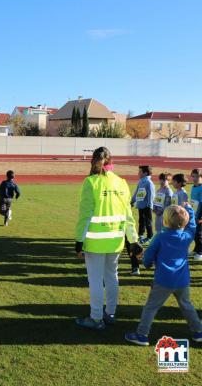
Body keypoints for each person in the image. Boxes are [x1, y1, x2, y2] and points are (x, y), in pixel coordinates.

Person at [75, 147, 140, 330]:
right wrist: (133, 240)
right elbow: (128, 216)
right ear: (111, 162)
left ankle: (96, 318)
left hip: (95, 242)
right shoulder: (121, 183)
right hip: (116, 241)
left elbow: (85, 216)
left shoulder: (91, 182)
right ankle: (110, 313)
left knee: (95, 280)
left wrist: (79, 241)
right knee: (112, 277)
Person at [125, 204, 202, 346]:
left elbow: (148, 256)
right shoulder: (186, 236)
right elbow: (192, 227)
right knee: (187, 305)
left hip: (163, 280)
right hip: (182, 280)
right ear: (184, 222)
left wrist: (146, 264)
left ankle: (142, 335)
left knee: (151, 307)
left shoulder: (160, 236)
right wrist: (190, 209)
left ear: (166, 220)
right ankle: (198, 331)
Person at [131, 165, 155, 244]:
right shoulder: (141, 181)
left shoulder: (149, 182)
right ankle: (140, 235)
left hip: (147, 206)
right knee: (141, 221)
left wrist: (149, 205)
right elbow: (137, 192)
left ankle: (150, 236)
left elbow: (151, 195)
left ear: (145, 173)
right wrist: (132, 201)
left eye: (140, 171)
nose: (138, 173)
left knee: (148, 222)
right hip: (140, 205)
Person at [190, 169, 202, 261]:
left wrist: (200, 217)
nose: (195, 178)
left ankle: (200, 253)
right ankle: (196, 249)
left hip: (200, 216)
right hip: (194, 214)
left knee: (199, 234)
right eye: (193, 176)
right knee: (194, 233)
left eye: (197, 176)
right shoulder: (193, 187)